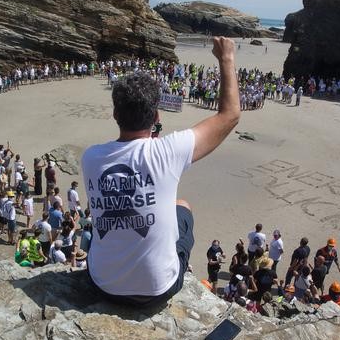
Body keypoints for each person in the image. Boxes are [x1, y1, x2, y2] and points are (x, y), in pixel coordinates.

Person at [82, 38, 240, 306]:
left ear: (115, 115)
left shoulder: (90, 157)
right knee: (183, 205)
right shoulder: (167, 152)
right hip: (157, 290)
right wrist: (226, 58)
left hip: (102, 284)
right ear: (156, 117)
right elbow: (230, 115)